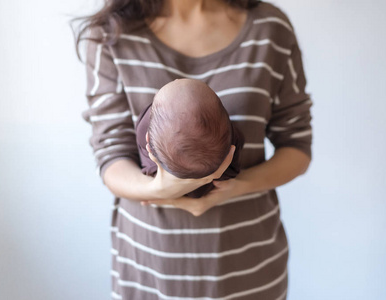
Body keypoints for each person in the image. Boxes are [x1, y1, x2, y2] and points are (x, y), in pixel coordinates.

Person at [73, 0, 313, 299]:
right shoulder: (111, 34)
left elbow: (297, 147)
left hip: (248, 266)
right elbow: (111, 154)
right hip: (150, 268)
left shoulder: (270, 28)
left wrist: (236, 187)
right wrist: (159, 190)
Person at [135, 78, 245, 198]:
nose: (177, 79)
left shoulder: (144, 127)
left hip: (160, 175)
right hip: (217, 182)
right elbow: (238, 140)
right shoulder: (231, 135)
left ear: (148, 138)